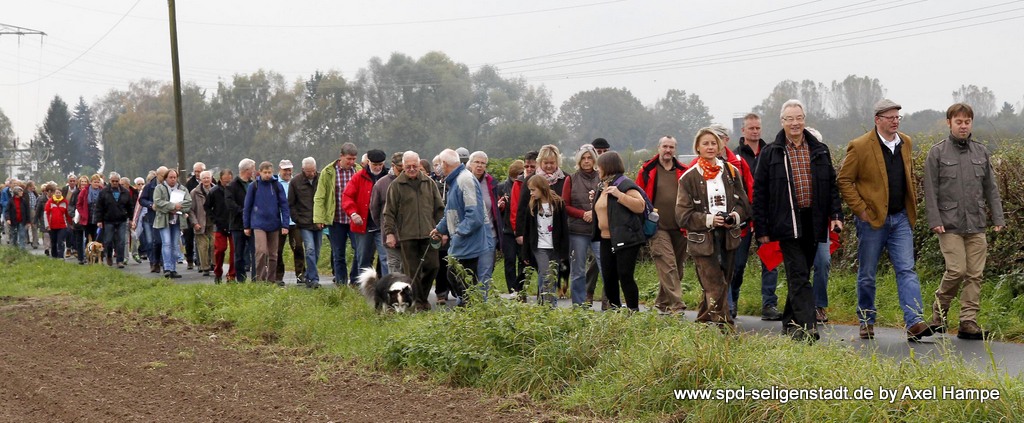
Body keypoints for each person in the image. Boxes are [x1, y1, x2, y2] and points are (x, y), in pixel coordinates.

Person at [837, 99, 932, 342]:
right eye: (890, 117)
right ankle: (866, 320)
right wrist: (861, 210)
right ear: (877, 119)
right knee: (867, 273)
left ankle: (914, 322)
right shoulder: (859, 146)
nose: (895, 121)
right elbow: (844, 180)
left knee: (907, 269)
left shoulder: (906, 143)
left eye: (898, 117)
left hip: (900, 218)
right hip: (872, 220)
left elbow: (908, 176)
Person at [753, 99, 842, 342]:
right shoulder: (771, 152)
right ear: (782, 122)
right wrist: (762, 229)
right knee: (799, 273)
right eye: (790, 119)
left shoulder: (819, 149)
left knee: (801, 273)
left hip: (813, 220)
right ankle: (806, 326)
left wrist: (835, 216)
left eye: (799, 118)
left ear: (805, 119)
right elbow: (759, 193)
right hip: (785, 222)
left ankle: (789, 322)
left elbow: (831, 185)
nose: (795, 123)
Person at [924, 103, 1006, 340]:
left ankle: (968, 322)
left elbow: (991, 188)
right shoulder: (937, 152)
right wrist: (934, 220)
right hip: (948, 224)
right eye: (958, 122)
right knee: (957, 270)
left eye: (967, 121)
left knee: (975, 274)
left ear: (971, 123)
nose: (963, 126)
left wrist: (997, 217)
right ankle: (939, 313)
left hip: (976, 222)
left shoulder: (981, 151)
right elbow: (930, 190)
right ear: (949, 123)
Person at [676, 127, 752, 328]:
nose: (710, 147)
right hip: (702, 241)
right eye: (705, 143)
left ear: (719, 146)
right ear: (697, 148)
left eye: (713, 143)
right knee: (715, 284)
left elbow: (744, 204)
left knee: (719, 284)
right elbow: (682, 216)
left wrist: (733, 217)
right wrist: (709, 220)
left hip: (728, 236)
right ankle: (727, 330)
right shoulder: (688, 177)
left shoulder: (731, 171)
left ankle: (701, 326)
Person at [383, 151, 444, 311]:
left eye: (414, 166)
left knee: (433, 266)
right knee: (412, 272)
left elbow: (439, 208)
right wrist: (390, 233)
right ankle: (419, 302)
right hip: (407, 235)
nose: (411, 169)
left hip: (429, 233)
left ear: (419, 166)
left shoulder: (429, 183)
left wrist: (441, 230)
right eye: (408, 166)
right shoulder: (396, 185)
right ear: (403, 166)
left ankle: (421, 297)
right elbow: (389, 212)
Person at [636, 136, 689, 315]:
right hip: (658, 227)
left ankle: (661, 303)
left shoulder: (684, 170)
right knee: (668, 265)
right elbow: (637, 196)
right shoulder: (647, 170)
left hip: (681, 226)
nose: (668, 150)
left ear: (675, 150)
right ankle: (677, 306)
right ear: (658, 148)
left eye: (671, 147)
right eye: (665, 146)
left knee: (677, 269)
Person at [593, 151, 647, 311]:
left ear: (607, 167)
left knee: (625, 275)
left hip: (626, 238)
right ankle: (615, 310)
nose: (597, 169)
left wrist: (620, 195)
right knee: (608, 277)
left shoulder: (624, 184)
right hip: (605, 238)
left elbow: (640, 206)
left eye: (599, 166)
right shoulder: (602, 186)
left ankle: (633, 310)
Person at [432, 148, 487, 305]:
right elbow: (451, 212)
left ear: (444, 163)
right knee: (456, 276)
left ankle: (470, 310)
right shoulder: (455, 181)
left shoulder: (465, 180)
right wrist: (440, 228)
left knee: (460, 278)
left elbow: (475, 216)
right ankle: (467, 308)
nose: (438, 168)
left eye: (439, 164)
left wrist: (458, 233)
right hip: (461, 241)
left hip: (469, 242)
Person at [518, 174, 569, 306]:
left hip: (554, 246)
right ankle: (550, 305)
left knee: (551, 275)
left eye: (533, 190)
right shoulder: (533, 205)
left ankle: (544, 304)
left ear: (542, 188)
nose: (531, 193)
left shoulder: (558, 204)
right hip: (539, 246)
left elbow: (564, 229)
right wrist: (525, 252)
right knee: (546, 273)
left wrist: (564, 251)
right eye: (530, 190)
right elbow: (527, 230)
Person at [562, 145, 603, 306]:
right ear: (579, 160)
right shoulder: (570, 179)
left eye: (589, 158)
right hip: (577, 230)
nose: (586, 161)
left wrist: (594, 213)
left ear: (594, 160)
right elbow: (565, 205)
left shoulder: (602, 177)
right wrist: (582, 214)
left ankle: (609, 304)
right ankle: (579, 306)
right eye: (583, 158)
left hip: (599, 230)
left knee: (605, 266)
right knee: (578, 270)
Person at [314, 142, 360, 286]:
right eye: (349, 159)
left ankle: (354, 280)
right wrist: (319, 218)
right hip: (336, 219)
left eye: (354, 159)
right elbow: (320, 196)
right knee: (338, 253)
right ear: (341, 157)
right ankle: (341, 283)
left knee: (359, 250)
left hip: (355, 219)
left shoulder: (359, 171)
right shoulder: (328, 172)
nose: (351, 162)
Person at [342, 149, 388, 281]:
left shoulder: (388, 178)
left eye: (380, 164)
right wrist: (353, 213)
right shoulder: (358, 177)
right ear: (368, 162)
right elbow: (347, 196)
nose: (378, 167)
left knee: (385, 258)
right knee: (363, 259)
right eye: (375, 165)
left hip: (382, 226)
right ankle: (364, 287)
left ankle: (387, 288)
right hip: (363, 226)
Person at [244, 161, 291, 283]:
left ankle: (271, 280)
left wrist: (285, 224)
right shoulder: (254, 186)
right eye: (265, 172)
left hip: (274, 224)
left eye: (269, 172)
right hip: (258, 224)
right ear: (260, 173)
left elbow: (284, 206)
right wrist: (246, 226)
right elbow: (247, 207)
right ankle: (260, 279)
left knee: (273, 254)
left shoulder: (276, 186)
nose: (267, 175)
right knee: (261, 251)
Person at [805, 127, 833, 323]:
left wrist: (836, 215)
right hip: (797, 223)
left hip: (820, 223)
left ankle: (819, 305)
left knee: (823, 262)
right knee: (799, 267)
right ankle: (801, 306)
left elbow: (833, 189)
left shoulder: (824, 163)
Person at [468, 150, 501, 300]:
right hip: (469, 235)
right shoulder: (464, 180)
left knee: (486, 271)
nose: (480, 166)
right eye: (477, 162)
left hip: (489, 234)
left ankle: (482, 304)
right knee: (468, 271)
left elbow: (493, 206)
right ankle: (465, 302)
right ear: (470, 163)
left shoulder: (491, 183)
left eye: (483, 163)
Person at [153, 169, 192, 279]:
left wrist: (179, 206)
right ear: (166, 178)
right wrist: (172, 206)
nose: (173, 179)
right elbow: (158, 202)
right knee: (166, 243)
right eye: (170, 177)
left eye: (175, 177)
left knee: (175, 245)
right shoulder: (159, 188)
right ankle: (167, 268)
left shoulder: (182, 189)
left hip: (177, 220)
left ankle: (173, 269)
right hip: (164, 220)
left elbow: (188, 202)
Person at [370, 152, 404, 276]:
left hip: (409, 234)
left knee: (408, 267)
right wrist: (384, 227)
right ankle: (394, 293)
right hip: (391, 233)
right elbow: (374, 210)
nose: (403, 172)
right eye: (400, 169)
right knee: (394, 266)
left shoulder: (412, 182)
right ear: (393, 166)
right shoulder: (381, 184)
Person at [289, 157, 321, 288]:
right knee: (310, 249)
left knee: (317, 251)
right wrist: (297, 219)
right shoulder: (295, 182)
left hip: (319, 221)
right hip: (304, 222)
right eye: (308, 171)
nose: (311, 174)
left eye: (313, 171)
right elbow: (290, 203)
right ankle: (314, 279)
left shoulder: (321, 179)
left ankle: (308, 275)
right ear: (303, 170)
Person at [496, 160, 525, 294]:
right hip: (507, 229)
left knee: (524, 261)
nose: (517, 179)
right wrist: (500, 207)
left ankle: (521, 289)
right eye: (515, 176)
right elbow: (496, 210)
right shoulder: (501, 187)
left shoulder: (526, 185)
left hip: (522, 229)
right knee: (509, 260)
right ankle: (512, 290)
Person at [275, 159, 305, 283]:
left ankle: (301, 274)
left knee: (298, 247)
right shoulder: (275, 182)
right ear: (280, 170)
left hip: (294, 222)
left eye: (289, 170)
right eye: (285, 170)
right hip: (278, 222)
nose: (287, 172)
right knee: (278, 250)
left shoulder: (295, 182)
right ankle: (278, 275)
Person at [95, 172, 134, 267]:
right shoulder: (104, 192)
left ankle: (119, 261)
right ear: (109, 181)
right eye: (113, 181)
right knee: (108, 240)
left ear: (119, 181)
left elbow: (130, 206)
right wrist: (99, 220)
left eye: (117, 181)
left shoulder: (125, 192)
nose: (115, 183)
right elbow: (99, 207)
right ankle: (108, 255)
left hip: (122, 219)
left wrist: (131, 218)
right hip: (108, 219)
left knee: (121, 241)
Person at [227, 159, 256, 282]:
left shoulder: (254, 185)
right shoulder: (232, 186)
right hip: (237, 225)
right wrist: (244, 211)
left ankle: (256, 278)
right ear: (247, 170)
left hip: (253, 223)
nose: (254, 171)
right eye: (253, 169)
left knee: (255, 252)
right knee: (239, 254)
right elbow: (229, 203)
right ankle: (241, 279)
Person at [206, 169, 236, 283]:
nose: (227, 183)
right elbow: (207, 207)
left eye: (229, 181)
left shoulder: (234, 190)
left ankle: (232, 275)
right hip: (219, 225)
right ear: (220, 179)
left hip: (233, 224)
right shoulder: (214, 191)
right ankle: (218, 272)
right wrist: (215, 220)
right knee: (220, 249)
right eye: (225, 181)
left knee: (234, 251)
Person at [138, 169, 166, 271]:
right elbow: (141, 200)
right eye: (163, 175)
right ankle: (154, 262)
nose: (165, 178)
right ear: (157, 175)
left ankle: (163, 263)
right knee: (153, 241)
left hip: (165, 217)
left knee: (164, 241)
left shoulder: (169, 186)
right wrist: (150, 205)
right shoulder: (149, 186)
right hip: (152, 217)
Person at [189, 170, 215, 277]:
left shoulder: (216, 190)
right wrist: (194, 223)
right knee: (203, 246)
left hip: (213, 222)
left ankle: (214, 264)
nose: (206, 180)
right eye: (204, 178)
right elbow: (190, 210)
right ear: (200, 179)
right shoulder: (194, 192)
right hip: (200, 222)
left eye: (208, 178)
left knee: (214, 244)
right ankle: (205, 267)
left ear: (211, 178)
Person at [183, 162, 205, 270]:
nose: (197, 173)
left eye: (199, 171)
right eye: (195, 171)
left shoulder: (210, 181)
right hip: (190, 213)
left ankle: (201, 261)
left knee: (201, 239)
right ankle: (190, 259)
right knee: (189, 238)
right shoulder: (189, 184)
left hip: (203, 215)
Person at [44, 185, 72, 258]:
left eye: (59, 193)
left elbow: (67, 214)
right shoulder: (50, 202)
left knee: (60, 241)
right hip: (52, 226)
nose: (58, 194)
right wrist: (47, 225)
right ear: (54, 193)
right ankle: (54, 256)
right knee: (53, 242)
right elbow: (46, 213)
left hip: (62, 226)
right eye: (56, 193)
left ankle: (60, 256)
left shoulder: (65, 202)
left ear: (61, 194)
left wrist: (71, 223)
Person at [4, 184, 30, 249]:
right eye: (20, 191)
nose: (22, 192)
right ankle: (14, 249)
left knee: (22, 235)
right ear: (16, 193)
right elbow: (7, 211)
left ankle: (22, 250)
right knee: (13, 235)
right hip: (13, 221)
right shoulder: (11, 201)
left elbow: (27, 211)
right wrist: (8, 219)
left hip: (22, 220)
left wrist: (28, 221)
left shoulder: (23, 201)